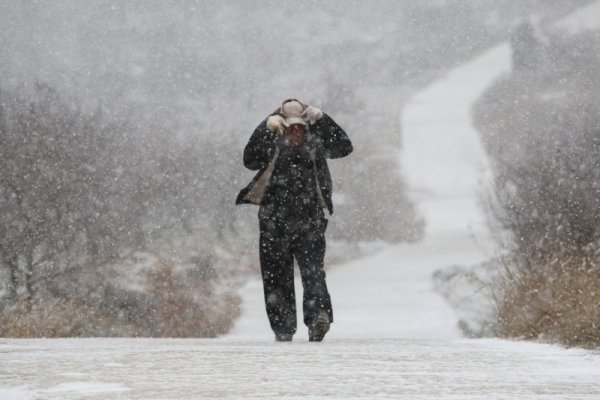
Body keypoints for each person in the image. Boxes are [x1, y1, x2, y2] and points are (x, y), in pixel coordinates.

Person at [236, 98, 353, 342]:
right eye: (290, 127)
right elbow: (250, 160)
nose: (295, 132)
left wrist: (323, 119)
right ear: (282, 126)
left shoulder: (315, 141)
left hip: (309, 219)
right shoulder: (271, 143)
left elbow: (343, 147)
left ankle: (318, 319)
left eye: (299, 127)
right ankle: (283, 329)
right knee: (276, 277)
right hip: (273, 221)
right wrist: (264, 128)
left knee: (314, 273)